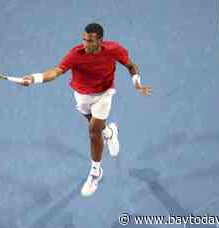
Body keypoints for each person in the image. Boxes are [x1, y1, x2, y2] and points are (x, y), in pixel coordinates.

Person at [20, 23, 151, 197]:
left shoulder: (114, 49)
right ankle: (110, 133)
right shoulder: (76, 54)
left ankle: (95, 172)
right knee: (95, 125)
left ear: (100, 41)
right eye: (84, 39)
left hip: (104, 94)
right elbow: (57, 71)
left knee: (93, 130)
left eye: (89, 41)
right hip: (82, 96)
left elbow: (131, 66)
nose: (85, 44)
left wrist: (137, 83)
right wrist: (35, 78)